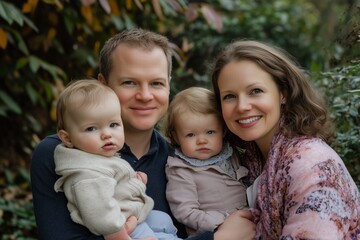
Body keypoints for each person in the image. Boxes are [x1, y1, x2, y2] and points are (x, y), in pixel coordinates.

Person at [31, 28, 255, 240]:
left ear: (168, 86)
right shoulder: (62, 155)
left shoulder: (181, 157)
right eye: (129, 82)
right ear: (104, 85)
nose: (145, 95)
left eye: (156, 83)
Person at [211, 39, 360, 239]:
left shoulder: (311, 165)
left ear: (284, 93)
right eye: (229, 96)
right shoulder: (248, 163)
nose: (242, 106)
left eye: (255, 91)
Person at [54, 79, 181, 240]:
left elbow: (115, 187)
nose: (107, 134)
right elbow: (99, 211)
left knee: (163, 220)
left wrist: (135, 182)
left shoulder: (97, 156)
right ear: (67, 138)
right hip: (120, 230)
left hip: (131, 216)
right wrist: (118, 236)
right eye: (91, 128)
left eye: (113, 125)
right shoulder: (87, 174)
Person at [162, 87, 249, 236]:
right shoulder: (181, 170)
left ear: (223, 130)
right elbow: (185, 211)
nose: (202, 140)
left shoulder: (231, 153)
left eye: (210, 132)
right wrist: (222, 222)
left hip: (249, 223)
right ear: (175, 137)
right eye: (190, 134)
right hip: (217, 231)